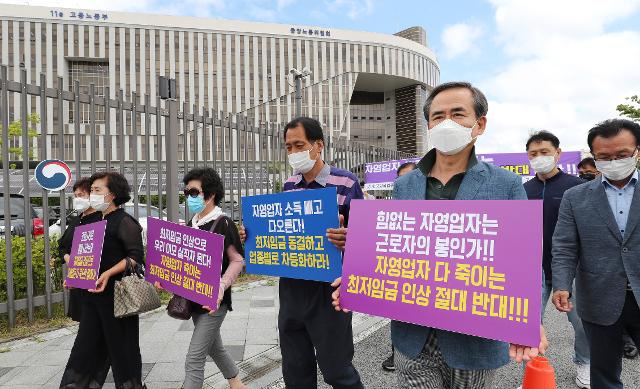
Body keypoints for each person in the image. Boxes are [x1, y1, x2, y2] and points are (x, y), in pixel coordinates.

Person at [332, 82, 548, 389]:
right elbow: (394, 246)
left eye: (458, 114)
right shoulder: (405, 186)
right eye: (437, 116)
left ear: (480, 124)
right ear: (429, 125)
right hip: (413, 335)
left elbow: (526, 261)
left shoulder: (506, 185)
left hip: (473, 340)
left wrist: (529, 320)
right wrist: (355, 277)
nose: (446, 123)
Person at [241, 117, 365, 389]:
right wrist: (253, 236)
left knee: (337, 371)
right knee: (295, 370)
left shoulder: (345, 182)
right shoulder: (289, 184)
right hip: (293, 285)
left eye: (299, 145)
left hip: (330, 289)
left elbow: (366, 239)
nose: (294, 152)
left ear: (318, 145)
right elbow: (284, 229)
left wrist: (348, 238)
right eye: (288, 147)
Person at [553, 118, 640, 389]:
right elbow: (565, 246)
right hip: (598, 297)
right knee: (603, 374)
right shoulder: (575, 197)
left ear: (637, 151)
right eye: (604, 157)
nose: (613, 161)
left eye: (622, 155)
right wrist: (562, 285)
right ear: (594, 157)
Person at [157, 167, 246, 389]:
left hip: (214, 303)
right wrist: (165, 278)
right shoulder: (191, 225)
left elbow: (237, 260)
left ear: (211, 193)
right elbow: (184, 266)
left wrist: (221, 286)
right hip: (193, 299)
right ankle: (236, 383)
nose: (189, 197)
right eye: (187, 193)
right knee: (215, 348)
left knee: (194, 358)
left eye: (194, 192)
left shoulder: (223, 223)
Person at [60, 171, 145, 389]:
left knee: (122, 350)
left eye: (97, 190)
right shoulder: (92, 221)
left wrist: (107, 274)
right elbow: (83, 257)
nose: (92, 195)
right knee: (84, 348)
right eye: (92, 190)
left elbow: (135, 257)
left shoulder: (124, 221)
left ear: (113, 194)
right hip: (90, 299)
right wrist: (75, 275)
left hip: (116, 299)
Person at [523, 131, 590, 389]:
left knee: (582, 322)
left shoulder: (577, 187)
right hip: (532, 268)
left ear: (558, 153)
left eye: (544, 152)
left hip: (572, 269)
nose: (539, 158)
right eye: (533, 154)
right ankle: (535, 370)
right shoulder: (523, 190)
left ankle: (585, 362)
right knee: (528, 323)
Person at [381, 160, 417, 372]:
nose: (405, 184)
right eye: (400, 179)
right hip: (400, 271)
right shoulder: (390, 213)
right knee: (400, 312)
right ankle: (398, 352)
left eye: (410, 178)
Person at [57, 178, 103, 322]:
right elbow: (62, 245)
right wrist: (67, 258)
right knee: (85, 323)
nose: (78, 199)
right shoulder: (77, 220)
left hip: (98, 283)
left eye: (82, 194)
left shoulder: (101, 218)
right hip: (78, 281)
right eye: (76, 196)